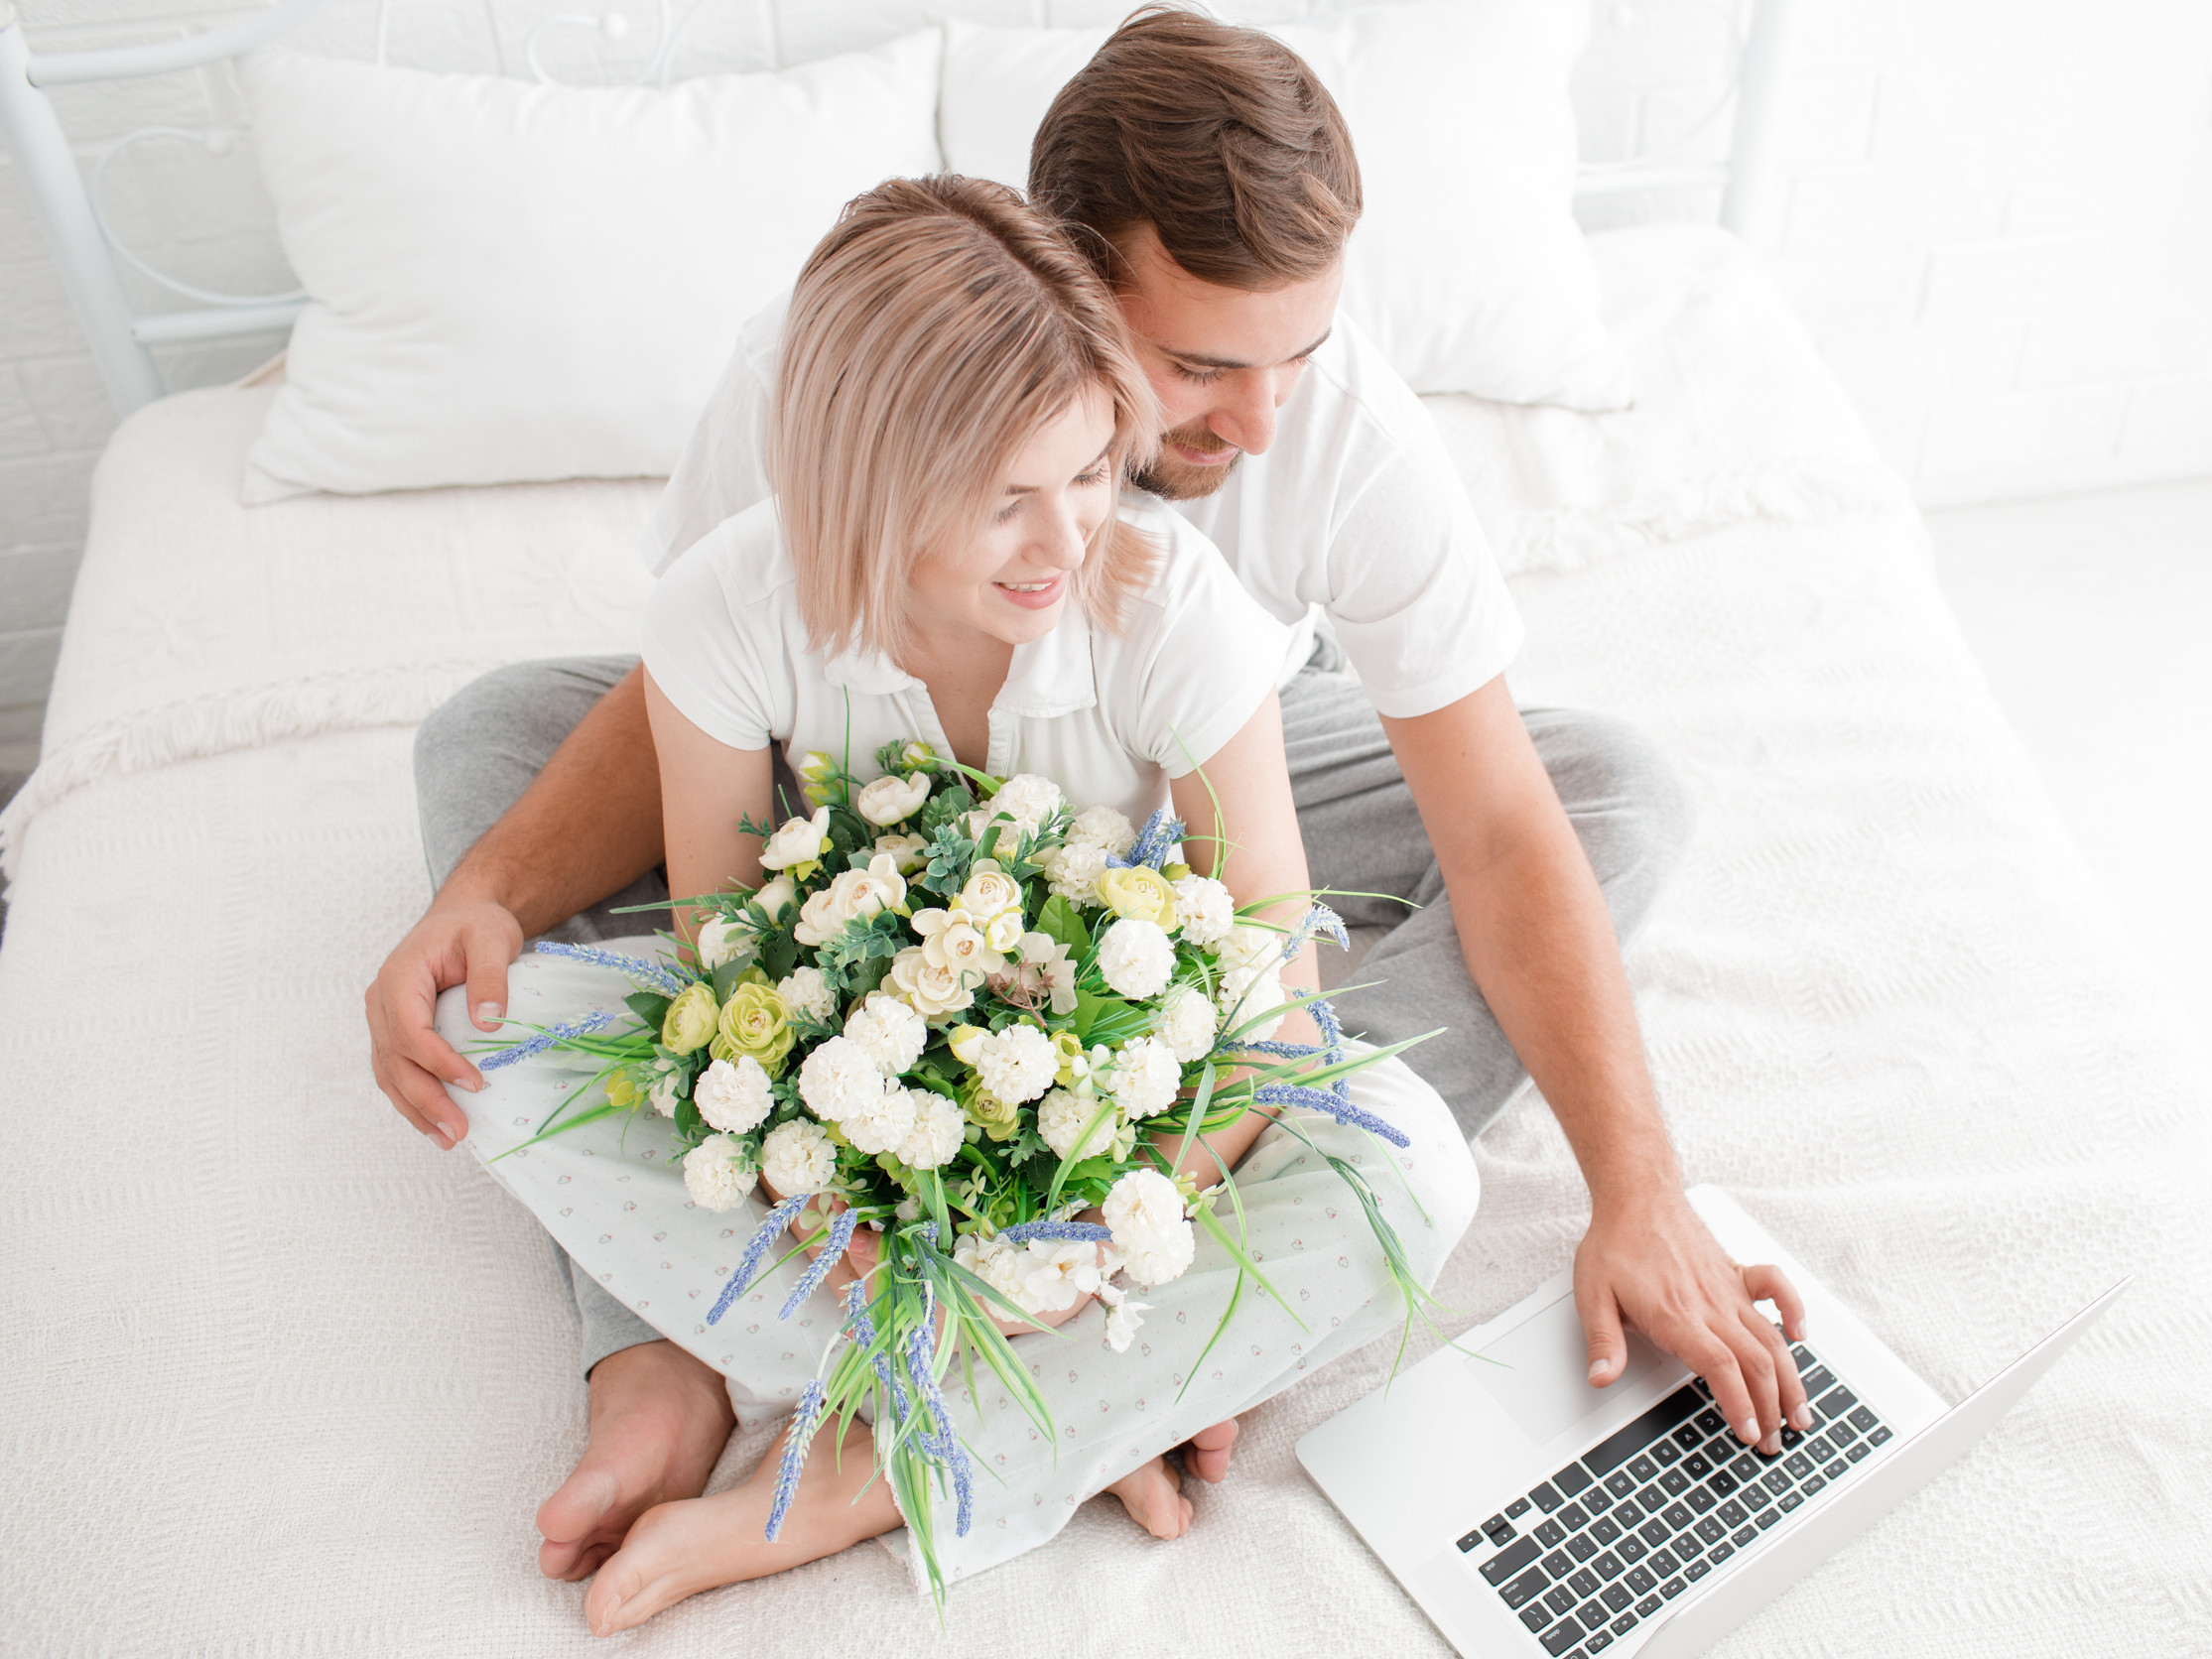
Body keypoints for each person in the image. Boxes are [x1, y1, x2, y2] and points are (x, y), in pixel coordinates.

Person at [368, 0, 1810, 1600]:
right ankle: (665, 1348)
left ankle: (1119, 1298)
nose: (1258, 425)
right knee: (491, 748)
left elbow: (1495, 826)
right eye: (1197, 366)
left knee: (1614, 795)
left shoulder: (1288, 474)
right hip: (856, 822)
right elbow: (699, 704)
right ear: (1054, 277)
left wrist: (1639, 1191)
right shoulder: (840, 375)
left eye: (1296, 358)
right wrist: (495, 885)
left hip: (1198, 794)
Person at [436, 173, 1481, 1632]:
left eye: (1092, 470)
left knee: (1412, 1171)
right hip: (868, 1116)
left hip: (1119, 1124)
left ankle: (857, 1479)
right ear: (870, 482)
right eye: (1005, 500)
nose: (1063, 541)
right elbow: (724, 991)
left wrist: (1111, 1232)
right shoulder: (728, 611)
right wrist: (840, 1208)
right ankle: (1084, 1412)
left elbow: (1271, 996)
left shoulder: (1170, 608)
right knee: (471, 1030)